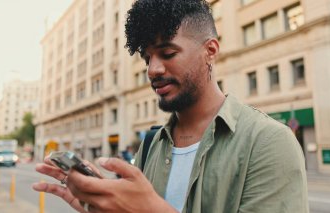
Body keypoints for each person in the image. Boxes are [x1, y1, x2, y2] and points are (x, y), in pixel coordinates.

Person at [32, 0, 309, 212]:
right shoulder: (151, 144)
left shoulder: (268, 142)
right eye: (147, 58)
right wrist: (105, 205)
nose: (153, 69)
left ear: (210, 51)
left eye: (167, 53)